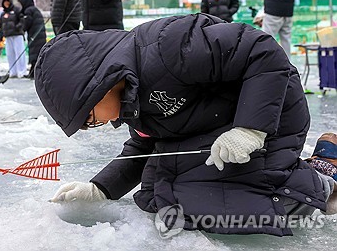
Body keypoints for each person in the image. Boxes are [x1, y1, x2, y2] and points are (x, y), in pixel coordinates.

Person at [34, 13, 336, 236]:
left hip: (272, 108)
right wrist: (100, 188)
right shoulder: (129, 97)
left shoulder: (168, 46)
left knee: (229, 197)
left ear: (95, 86)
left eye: (88, 117)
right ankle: (311, 164)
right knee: (161, 192)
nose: (96, 123)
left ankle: (324, 178)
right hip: (215, 126)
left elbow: (262, 52)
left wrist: (250, 129)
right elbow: (144, 145)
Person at [17, 0, 47, 79]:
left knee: (35, 54)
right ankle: (32, 72)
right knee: (37, 53)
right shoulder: (35, 9)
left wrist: (21, 26)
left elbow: (27, 23)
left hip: (35, 36)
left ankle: (35, 73)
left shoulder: (29, 11)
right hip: (39, 35)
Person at [0, 0, 27, 78]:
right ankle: (12, 71)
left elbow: (22, 20)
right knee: (10, 54)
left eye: (7, 2)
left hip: (17, 34)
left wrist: (18, 27)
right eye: (5, 2)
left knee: (19, 52)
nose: (6, 4)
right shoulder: (3, 14)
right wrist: (0, 36)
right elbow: (1, 26)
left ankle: (21, 71)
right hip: (8, 36)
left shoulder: (16, 10)